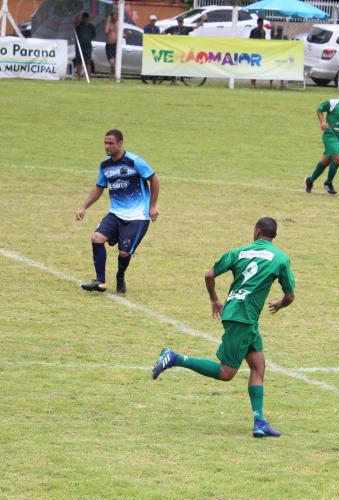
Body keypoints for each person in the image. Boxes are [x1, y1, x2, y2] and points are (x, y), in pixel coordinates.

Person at [152, 217, 295, 438]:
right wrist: (279, 304)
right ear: (273, 235)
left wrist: (214, 300)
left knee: (258, 366)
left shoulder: (238, 252)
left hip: (238, 314)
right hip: (244, 319)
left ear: (257, 232)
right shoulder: (281, 259)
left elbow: (209, 274)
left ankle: (260, 421)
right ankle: (175, 358)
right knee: (226, 372)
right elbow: (290, 296)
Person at [75, 130, 159, 295]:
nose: (107, 146)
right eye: (105, 143)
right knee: (96, 238)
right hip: (115, 213)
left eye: (111, 143)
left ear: (120, 143)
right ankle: (100, 281)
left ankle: (120, 276)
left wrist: (153, 205)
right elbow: (99, 188)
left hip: (138, 216)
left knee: (124, 252)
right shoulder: (105, 165)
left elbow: (154, 179)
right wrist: (83, 207)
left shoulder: (135, 162)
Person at [73, 11, 95, 79]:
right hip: (80, 46)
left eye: (87, 18)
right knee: (79, 61)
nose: (86, 20)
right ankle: (79, 77)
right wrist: (80, 14)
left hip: (88, 46)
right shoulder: (79, 25)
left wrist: (88, 38)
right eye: (84, 18)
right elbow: (76, 23)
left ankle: (88, 76)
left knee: (88, 61)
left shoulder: (91, 26)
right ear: (82, 18)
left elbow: (94, 35)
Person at [104, 11, 118, 76]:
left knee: (115, 63)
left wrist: (127, 34)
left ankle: (112, 76)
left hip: (116, 45)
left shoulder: (117, 24)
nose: (116, 17)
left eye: (117, 16)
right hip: (109, 45)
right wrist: (108, 20)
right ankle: (113, 75)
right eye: (115, 16)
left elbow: (121, 35)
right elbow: (106, 31)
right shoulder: (109, 24)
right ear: (112, 17)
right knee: (112, 63)